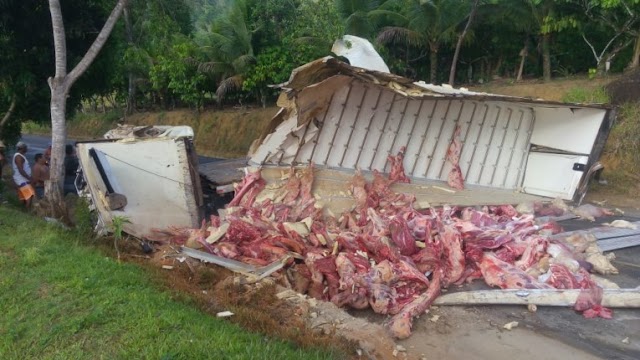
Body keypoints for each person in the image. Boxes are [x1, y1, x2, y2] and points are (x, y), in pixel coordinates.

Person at [12, 141, 35, 208]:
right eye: (26, 147)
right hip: (22, 180)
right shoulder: (19, 157)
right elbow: (21, 170)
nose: (27, 149)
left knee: (22, 197)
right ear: (22, 148)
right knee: (29, 196)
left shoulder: (20, 156)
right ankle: (26, 212)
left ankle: (21, 210)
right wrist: (29, 178)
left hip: (22, 179)